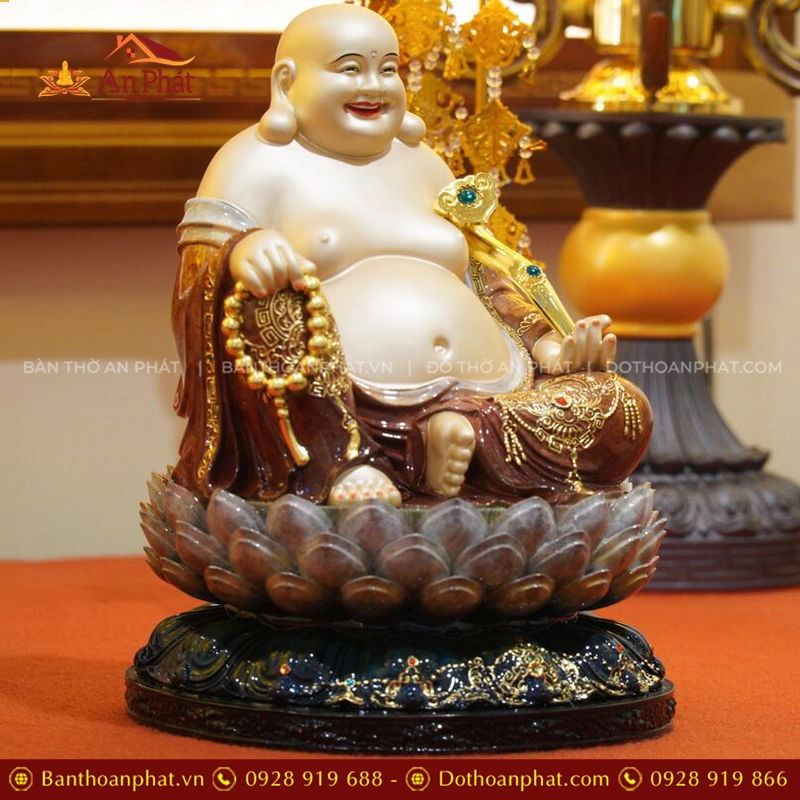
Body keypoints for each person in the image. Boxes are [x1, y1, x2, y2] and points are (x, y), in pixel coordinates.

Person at [171, 3, 651, 507]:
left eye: (388, 69)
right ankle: (345, 461)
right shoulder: (253, 163)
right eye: (350, 69)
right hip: (337, 406)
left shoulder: (424, 165)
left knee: (621, 407)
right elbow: (195, 281)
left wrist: (549, 349)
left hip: (487, 390)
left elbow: (486, 275)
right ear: (286, 83)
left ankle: (457, 433)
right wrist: (239, 252)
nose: (374, 86)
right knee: (264, 305)